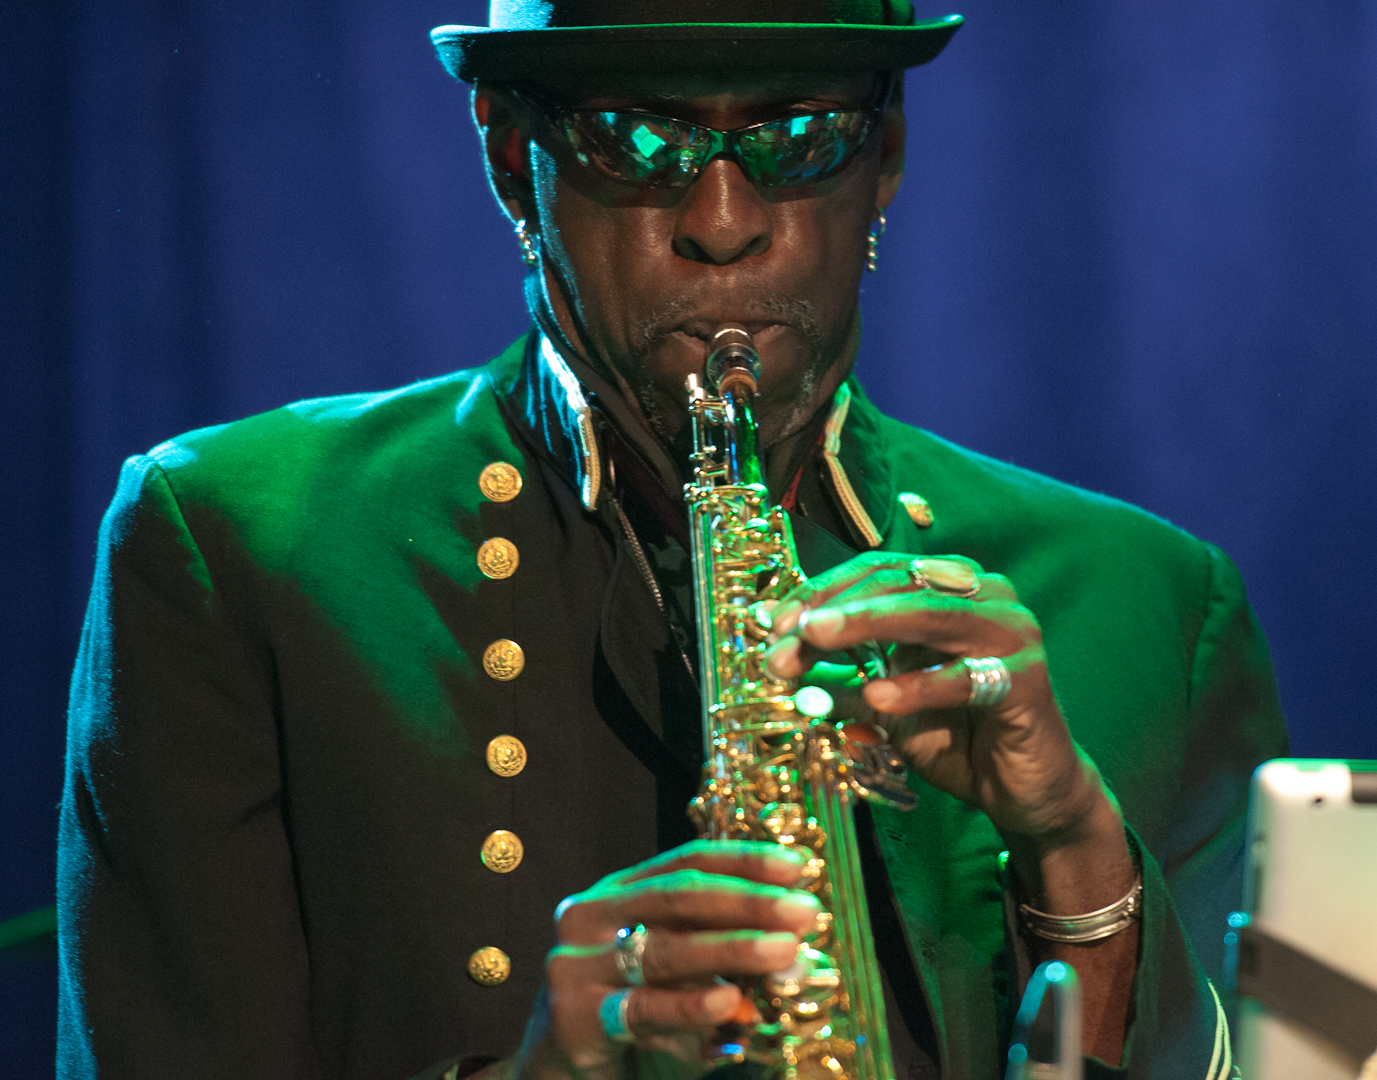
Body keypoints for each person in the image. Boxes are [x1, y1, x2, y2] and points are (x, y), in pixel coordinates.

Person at [56, 3, 1287, 1079]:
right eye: (641, 137)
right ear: (508, 153)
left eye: (799, 136)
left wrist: (1077, 853)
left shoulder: (1152, 602)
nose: (723, 221)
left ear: (889, 150)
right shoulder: (236, 544)